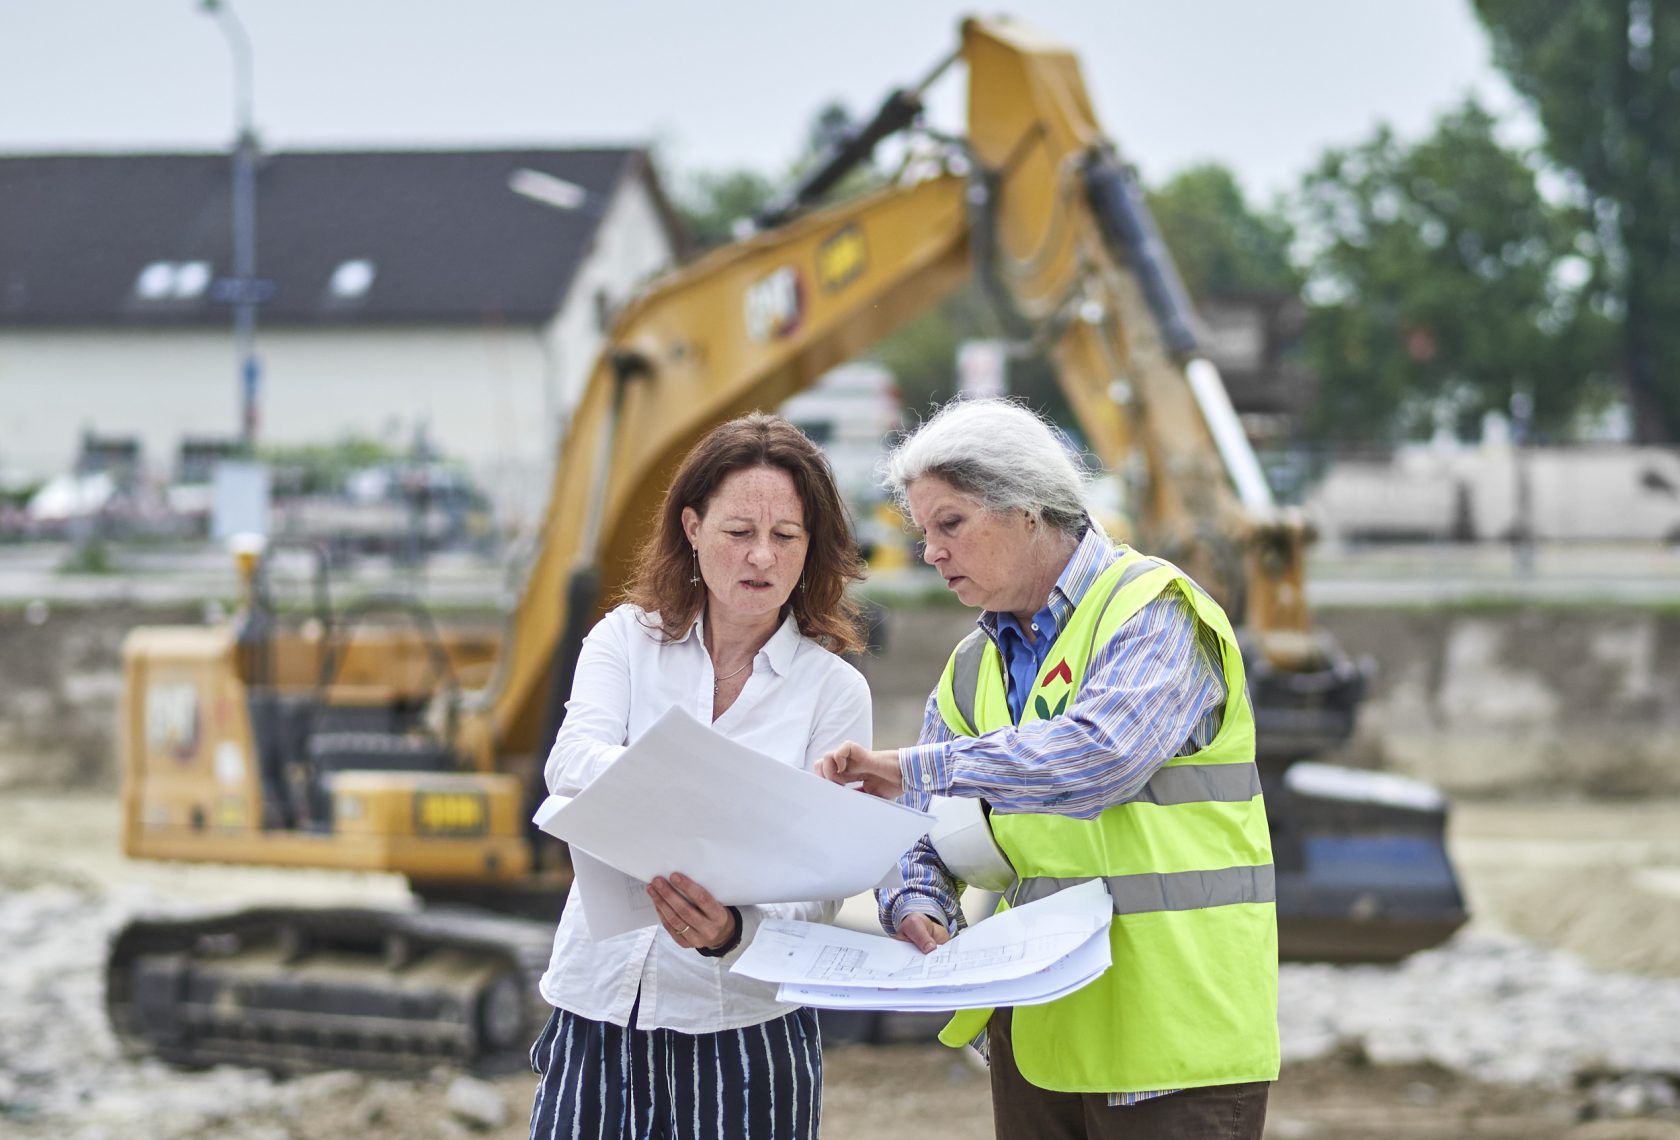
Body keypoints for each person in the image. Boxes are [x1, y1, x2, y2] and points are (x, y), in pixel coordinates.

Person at [817, 398, 1277, 1140]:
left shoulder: (1155, 614)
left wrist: (914, 768)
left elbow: (1100, 758)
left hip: (1176, 1036)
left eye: (950, 524)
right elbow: (923, 820)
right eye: (923, 530)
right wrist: (915, 897)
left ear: (1026, 510)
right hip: (1039, 1038)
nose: (930, 551)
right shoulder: (974, 665)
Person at [529, 412, 872, 1140]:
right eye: (738, 532)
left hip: (742, 1032)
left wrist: (732, 931)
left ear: (812, 550)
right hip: (597, 1011)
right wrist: (700, 794)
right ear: (691, 526)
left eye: (786, 537)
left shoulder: (833, 692)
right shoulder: (625, 639)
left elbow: (825, 880)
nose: (761, 558)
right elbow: (571, 762)